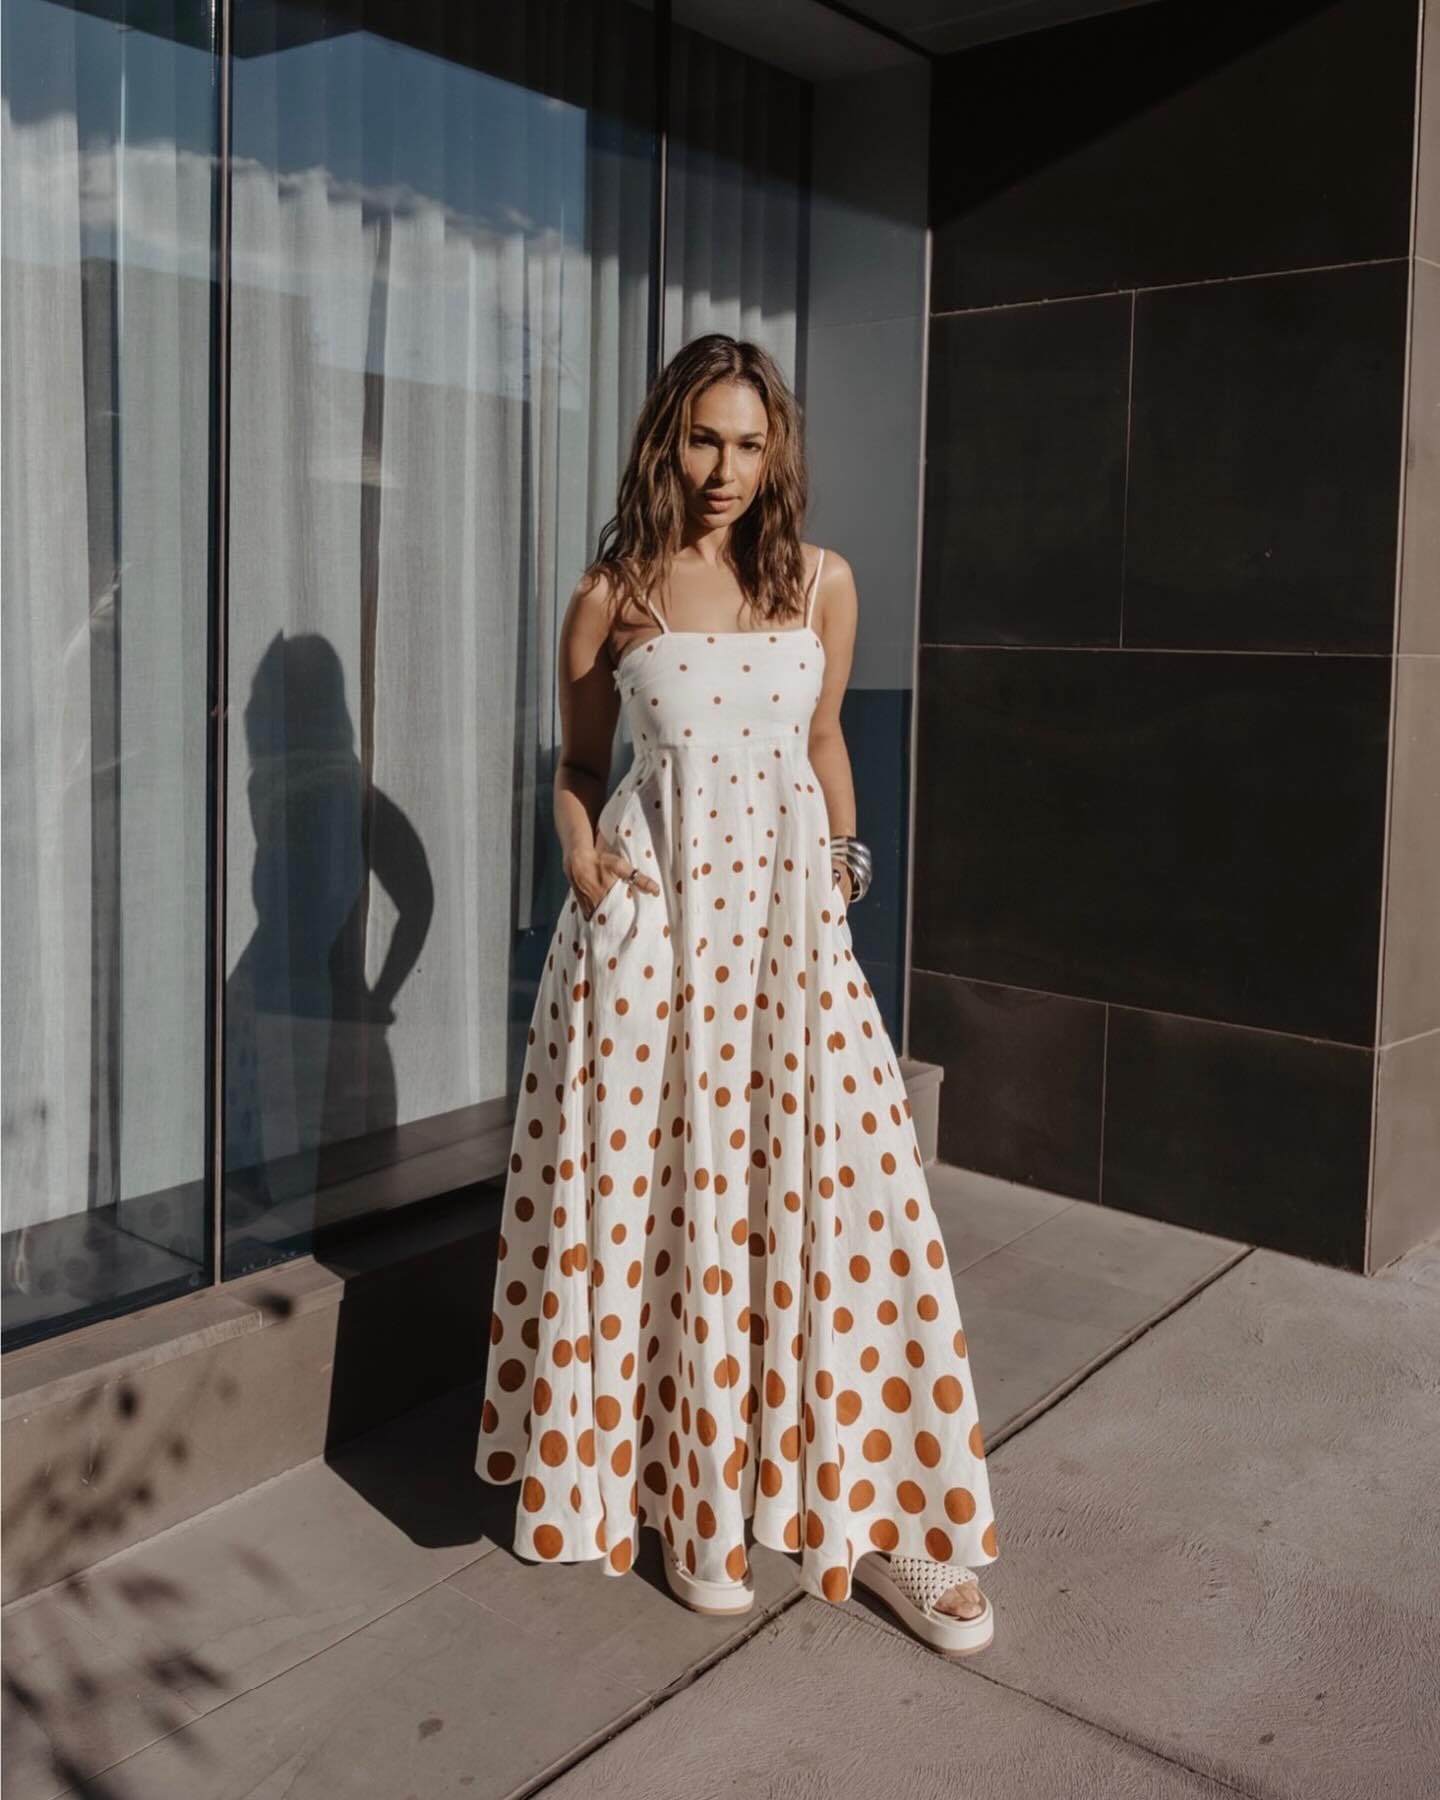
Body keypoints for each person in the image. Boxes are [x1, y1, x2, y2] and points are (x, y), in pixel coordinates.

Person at [476, 333, 998, 1658]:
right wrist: (583, 867)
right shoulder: (612, 597)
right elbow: (578, 768)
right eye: (704, 439)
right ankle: (690, 1509)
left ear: (780, 455)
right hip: (649, 950)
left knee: (862, 1215)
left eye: (750, 444)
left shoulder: (821, 583)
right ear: (667, 439)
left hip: (788, 947)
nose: (725, 469)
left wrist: (843, 873)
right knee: (668, 1221)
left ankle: (905, 1530)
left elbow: (822, 741)